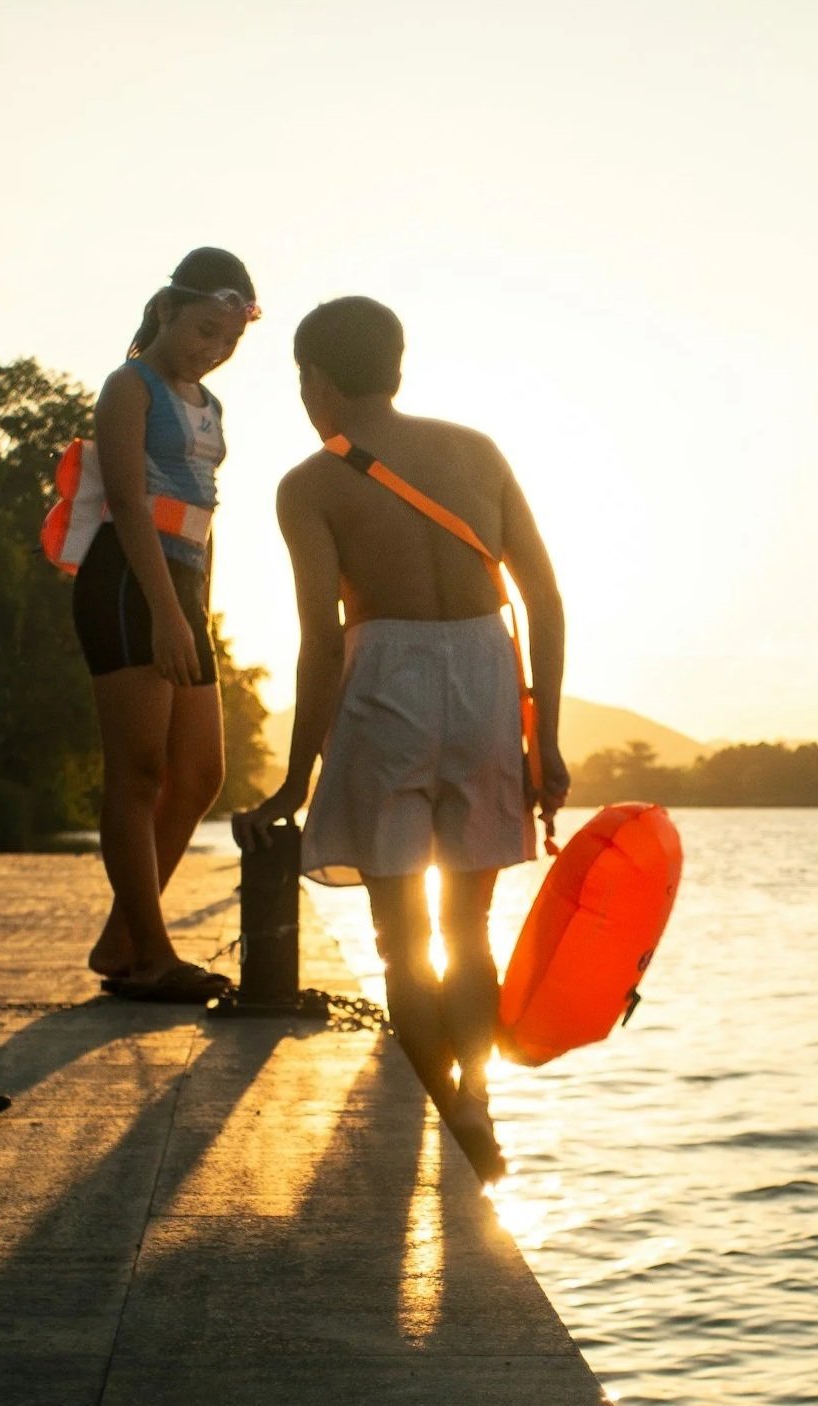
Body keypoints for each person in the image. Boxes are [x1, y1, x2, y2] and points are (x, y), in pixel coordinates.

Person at [234, 295, 568, 1151]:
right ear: (396, 366)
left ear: (316, 380)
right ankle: (475, 1100)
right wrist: (549, 738)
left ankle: (437, 1112)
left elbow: (321, 641)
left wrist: (296, 778)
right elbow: (545, 598)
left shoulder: (309, 486)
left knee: (402, 938)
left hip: (386, 679)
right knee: (468, 927)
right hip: (488, 675)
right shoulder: (478, 451)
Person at [69, 247, 259, 1001]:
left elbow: (203, 516)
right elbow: (128, 499)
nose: (213, 351)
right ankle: (150, 953)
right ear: (167, 308)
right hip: (128, 580)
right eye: (205, 330)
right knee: (141, 771)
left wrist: (196, 609)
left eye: (229, 342)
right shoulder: (129, 386)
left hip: (185, 587)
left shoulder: (209, 407)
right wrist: (165, 613)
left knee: (203, 773)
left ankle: (123, 938)